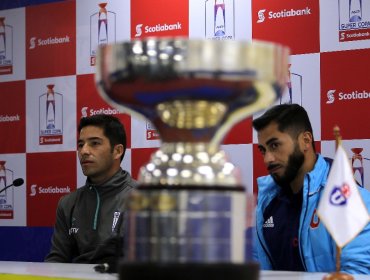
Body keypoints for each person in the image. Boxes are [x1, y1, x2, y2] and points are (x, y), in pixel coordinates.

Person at [252, 103, 370, 274]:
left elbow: (359, 275)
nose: (267, 159)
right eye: (263, 150)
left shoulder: (348, 198)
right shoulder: (266, 202)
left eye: (275, 146)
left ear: (305, 141)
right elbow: (260, 270)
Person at [45, 114, 137, 271]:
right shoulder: (68, 203)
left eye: (94, 143)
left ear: (117, 151)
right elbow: (57, 259)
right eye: (81, 145)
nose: (84, 151)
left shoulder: (142, 198)